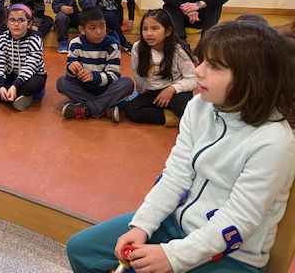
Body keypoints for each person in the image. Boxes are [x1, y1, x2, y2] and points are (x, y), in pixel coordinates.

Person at [67, 21, 295, 273]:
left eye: (214, 66)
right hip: (176, 224)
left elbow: (238, 220)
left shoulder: (274, 142)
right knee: (80, 249)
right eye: (202, 60)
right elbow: (175, 175)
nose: (198, 71)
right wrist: (143, 225)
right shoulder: (199, 106)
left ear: (252, 79)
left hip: (234, 256)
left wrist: (173, 257)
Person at [56, 7, 134, 122]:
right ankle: (105, 107)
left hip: (105, 88)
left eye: (102, 26)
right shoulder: (75, 44)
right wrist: (71, 68)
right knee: (62, 82)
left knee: (127, 83)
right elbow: (70, 75)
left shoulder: (112, 45)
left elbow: (114, 76)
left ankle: (87, 109)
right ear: (82, 30)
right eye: (93, 28)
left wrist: (95, 77)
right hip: (84, 87)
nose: (99, 32)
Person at [124, 9, 197, 127]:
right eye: (145, 29)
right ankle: (171, 118)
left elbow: (193, 79)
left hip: (176, 91)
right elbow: (139, 76)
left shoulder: (178, 50)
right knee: (131, 110)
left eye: (155, 28)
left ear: (168, 31)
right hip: (153, 92)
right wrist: (141, 94)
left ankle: (183, 117)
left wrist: (171, 89)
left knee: (184, 109)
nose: (148, 33)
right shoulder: (138, 48)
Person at [0, 4, 47, 112]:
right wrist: (0, 85)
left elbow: (30, 67)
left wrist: (15, 86)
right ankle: (14, 94)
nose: (16, 24)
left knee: (37, 83)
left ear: (29, 23)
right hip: (11, 74)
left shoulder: (35, 39)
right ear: (7, 23)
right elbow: (0, 63)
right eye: (12, 20)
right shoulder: (3, 38)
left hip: (30, 76)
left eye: (21, 20)